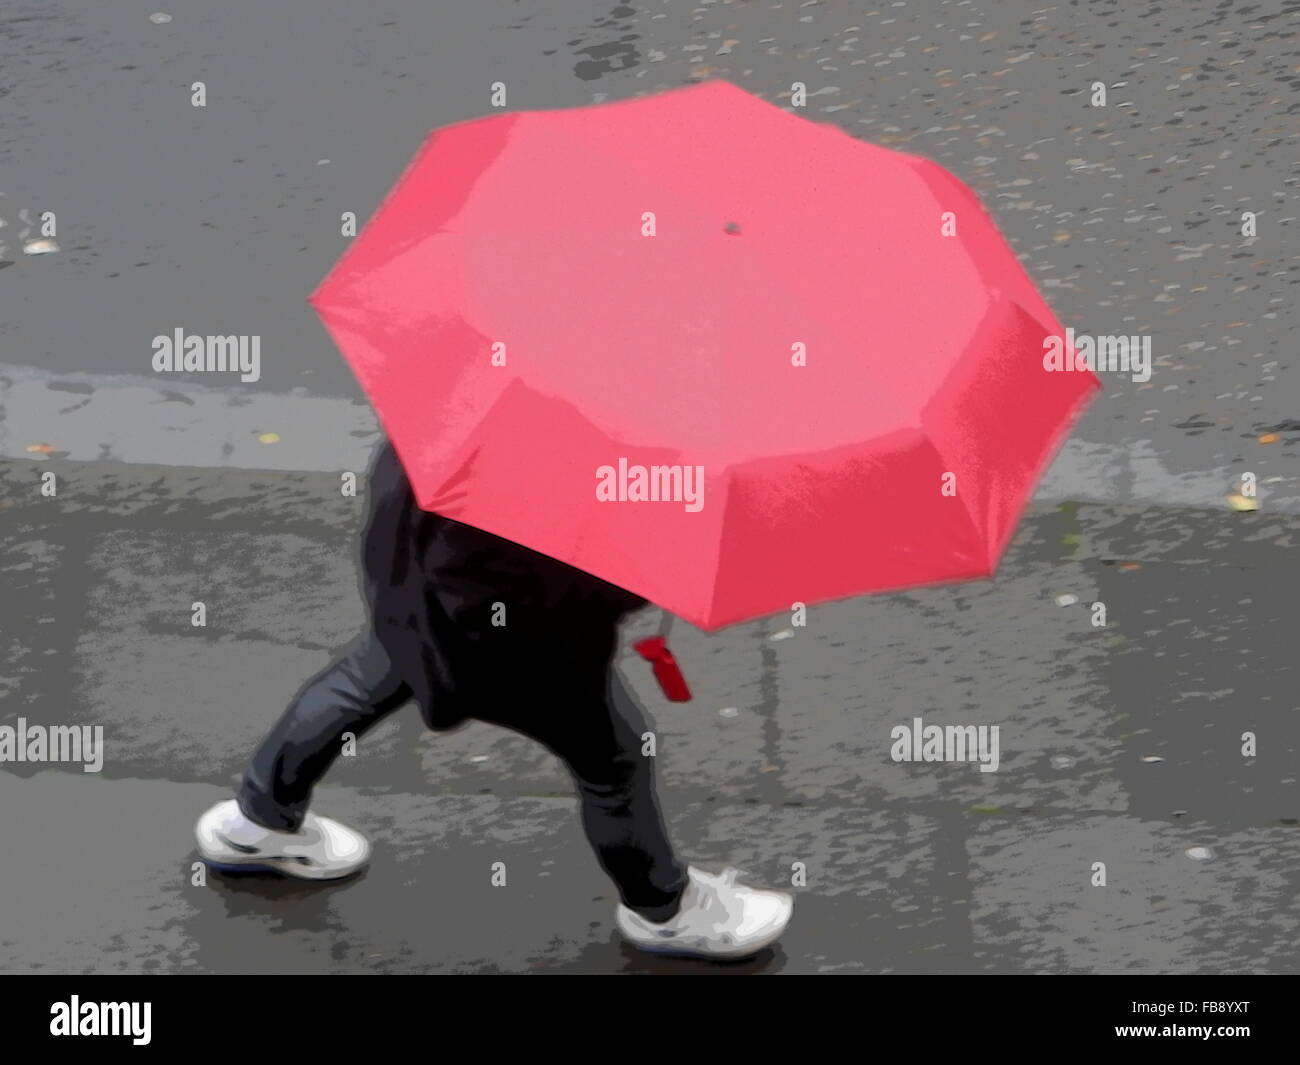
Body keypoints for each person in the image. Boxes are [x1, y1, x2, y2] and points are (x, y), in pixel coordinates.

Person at [195, 435, 793, 960]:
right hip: (505, 644)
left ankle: (260, 819)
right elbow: (553, 589)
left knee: (363, 679)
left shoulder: (470, 395)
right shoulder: (556, 473)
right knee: (615, 760)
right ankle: (664, 909)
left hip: (406, 584)